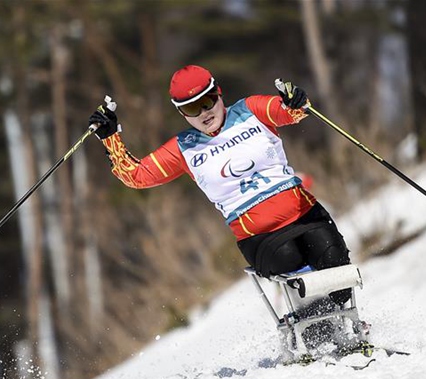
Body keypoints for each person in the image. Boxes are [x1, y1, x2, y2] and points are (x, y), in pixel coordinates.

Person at [88, 65, 351, 308]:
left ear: (218, 93)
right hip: (260, 237)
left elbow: (291, 112)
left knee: (332, 257)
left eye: (207, 101)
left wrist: (296, 100)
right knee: (288, 258)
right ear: (181, 112)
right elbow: (136, 176)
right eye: (192, 109)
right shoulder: (184, 148)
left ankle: (347, 322)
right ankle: (313, 328)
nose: (204, 113)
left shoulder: (251, 110)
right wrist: (110, 137)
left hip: (305, 215)